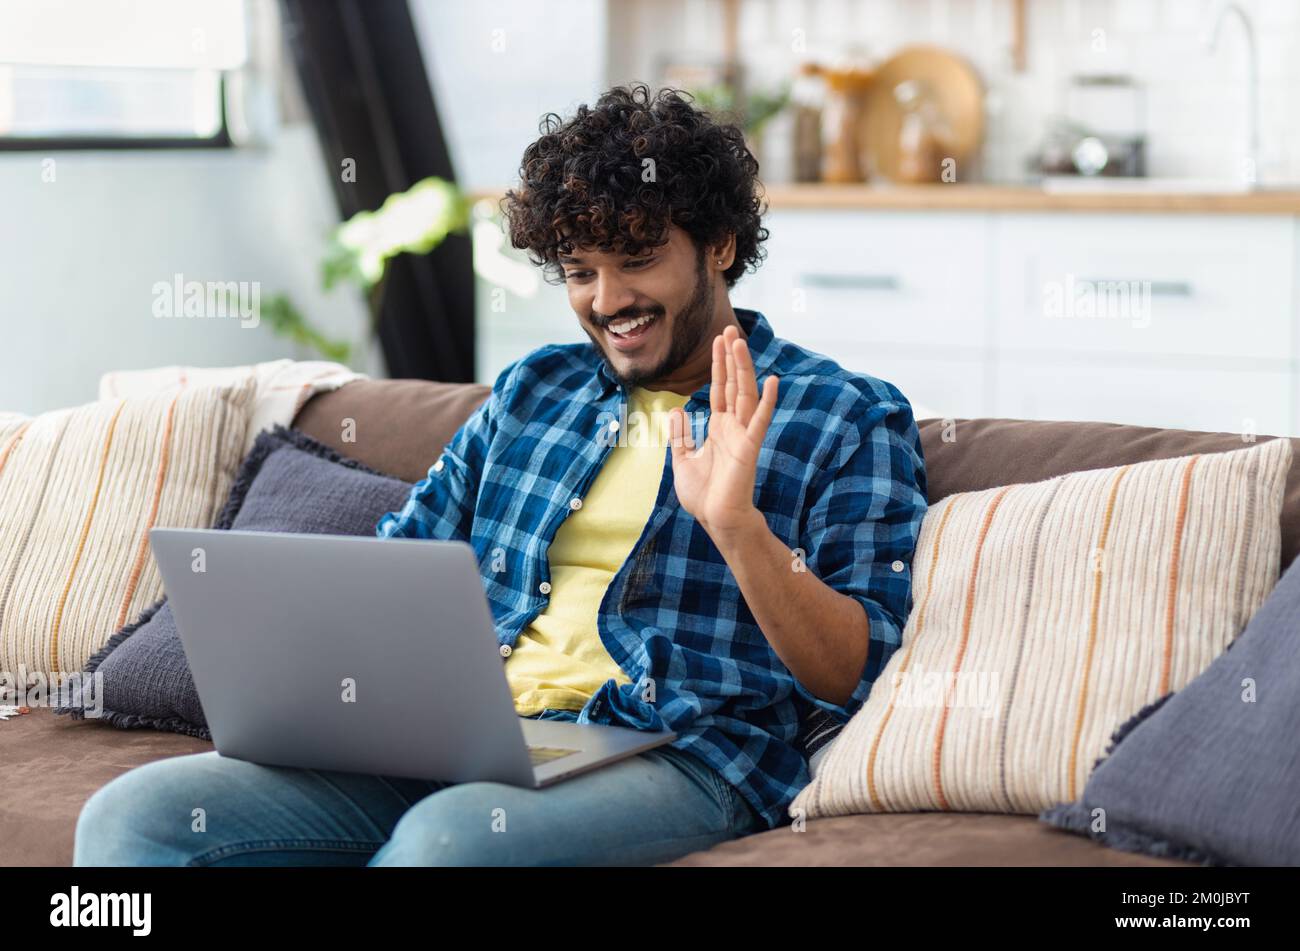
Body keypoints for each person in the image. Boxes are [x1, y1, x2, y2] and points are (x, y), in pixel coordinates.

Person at [74, 83, 928, 866]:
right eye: (580, 272)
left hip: (683, 751)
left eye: (636, 261)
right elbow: (397, 567)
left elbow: (851, 670)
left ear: (719, 245)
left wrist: (739, 528)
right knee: (136, 815)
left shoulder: (843, 414)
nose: (607, 300)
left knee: (450, 843)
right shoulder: (534, 393)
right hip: (470, 735)